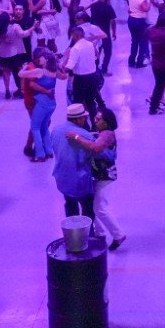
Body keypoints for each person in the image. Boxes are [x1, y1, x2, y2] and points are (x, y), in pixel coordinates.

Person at [66, 107, 125, 250]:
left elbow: (96, 148)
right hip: (99, 175)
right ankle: (100, 233)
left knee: (100, 208)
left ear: (107, 121)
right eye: (96, 118)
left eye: (99, 119)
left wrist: (77, 137)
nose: (95, 121)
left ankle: (118, 235)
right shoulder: (101, 133)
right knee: (95, 206)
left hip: (105, 176)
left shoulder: (107, 134)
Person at [53, 104, 97, 221]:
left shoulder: (56, 130)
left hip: (62, 177)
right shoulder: (86, 136)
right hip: (81, 180)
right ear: (78, 119)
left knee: (70, 205)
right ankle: (88, 230)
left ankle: (72, 229)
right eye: (84, 118)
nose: (85, 120)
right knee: (87, 209)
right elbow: (94, 155)